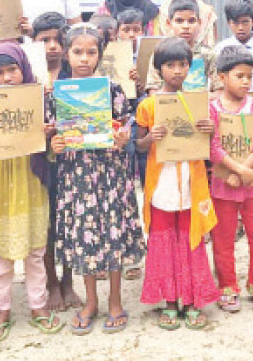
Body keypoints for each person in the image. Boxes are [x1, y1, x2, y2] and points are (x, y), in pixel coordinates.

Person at [50, 24, 145, 335]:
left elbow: (124, 128)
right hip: (76, 176)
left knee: (113, 234)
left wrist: (121, 138)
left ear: (100, 55)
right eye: (77, 52)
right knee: (85, 238)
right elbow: (54, 139)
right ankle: (90, 301)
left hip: (110, 175)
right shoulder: (57, 93)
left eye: (91, 52)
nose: (84, 58)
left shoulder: (113, 90)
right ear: (66, 54)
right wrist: (56, 145)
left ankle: (115, 300)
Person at [0, 43, 62, 341]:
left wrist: (47, 137)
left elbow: (50, 154)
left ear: (23, 68)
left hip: (31, 184)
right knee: (3, 257)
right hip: (0, 189)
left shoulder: (38, 103)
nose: (7, 77)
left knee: (35, 253)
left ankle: (38, 306)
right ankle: (3, 309)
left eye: (12, 69)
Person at [135, 38, 220, 330]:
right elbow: (139, 146)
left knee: (191, 238)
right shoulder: (148, 105)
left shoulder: (200, 102)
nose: (177, 70)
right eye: (170, 65)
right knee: (163, 240)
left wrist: (210, 130)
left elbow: (210, 145)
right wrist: (151, 137)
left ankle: (194, 299)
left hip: (190, 181)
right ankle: (170, 301)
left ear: (189, 67)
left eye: (182, 64)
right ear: (159, 70)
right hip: (162, 183)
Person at [208, 46, 253, 313]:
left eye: (249, 76)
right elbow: (212, 146)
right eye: (239, 76)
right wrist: (236, 171)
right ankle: (227, 285)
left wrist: (245, 171)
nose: (246, 81)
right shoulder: (212, 109)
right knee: (223, 238)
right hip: (224, 184)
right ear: (222, 77)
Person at [28, 13, 86, 311]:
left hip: (71, 160)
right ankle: (51, 283)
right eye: (44, 40)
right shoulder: (27, 77)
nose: (51, 46)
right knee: (47, 224)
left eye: (57, 40)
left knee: (69, 221)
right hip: (40, 160)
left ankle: (68, 281)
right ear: (33, 43)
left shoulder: (73, 76)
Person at [146, 0, 218, 93]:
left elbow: (219, 91)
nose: (186, 26)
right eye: (179, 21)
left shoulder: (208, 54)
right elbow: (153, 91)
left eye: (191, 21)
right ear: (169, 23)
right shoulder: (160, 52)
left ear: (199, 23)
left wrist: (200, 99)